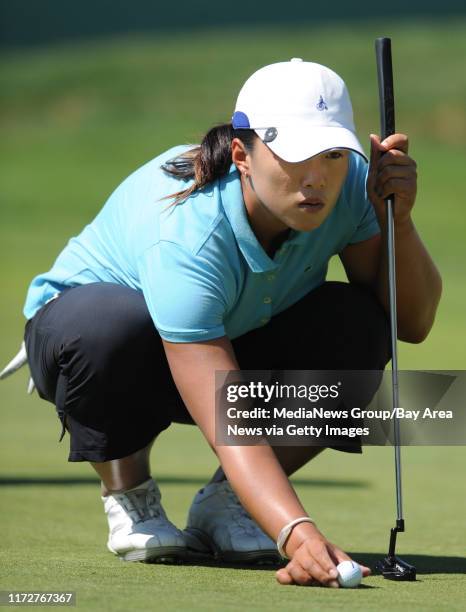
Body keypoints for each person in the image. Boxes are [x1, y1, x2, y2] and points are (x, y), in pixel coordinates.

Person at [1, 58, 441, 587]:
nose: (316, 178)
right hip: (95, 351)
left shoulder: (350, 190)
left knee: (360, 323)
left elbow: (410, 322)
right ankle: (130, 491)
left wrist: (401, 220)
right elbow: (224, 409)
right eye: (295, 155)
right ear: (243, 154)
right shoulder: (190, 230)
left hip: (229, 336)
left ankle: (227, 504)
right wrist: (296, 534)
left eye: (331, 154)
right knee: (110, 327)